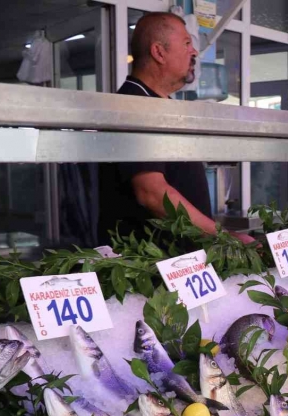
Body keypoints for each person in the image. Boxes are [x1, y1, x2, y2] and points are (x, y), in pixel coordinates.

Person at [98, 12, 254, 244]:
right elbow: (152, 193)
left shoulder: (160, 106)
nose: (194, 52)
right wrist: (223, 236)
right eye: (186, 43)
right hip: (146, 268)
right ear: (159, 52)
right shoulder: (135, 105)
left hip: (177, 264)